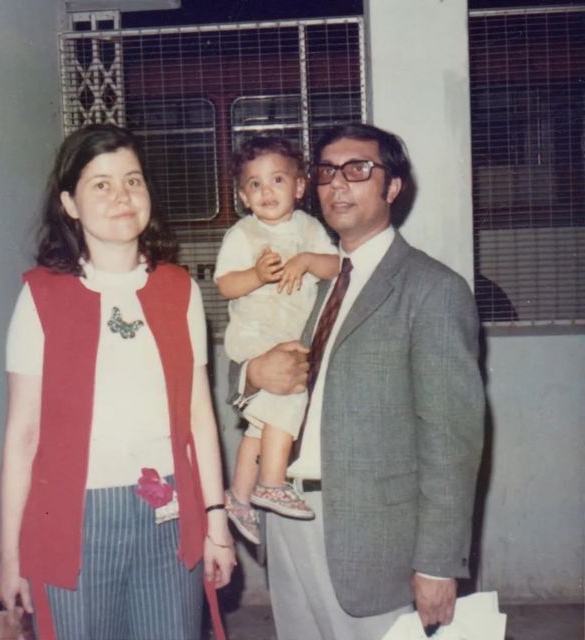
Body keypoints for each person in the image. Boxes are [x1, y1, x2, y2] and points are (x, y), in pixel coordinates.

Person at [229, 123, 485, 639]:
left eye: (358, 169)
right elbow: (254, 365)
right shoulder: (308, 281)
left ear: (392, 188)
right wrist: (251, 374)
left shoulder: (431, 289)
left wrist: (437, 563)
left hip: (371, 537)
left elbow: (451, 440)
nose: (338, 184)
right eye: (326, 172)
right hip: (284, 512)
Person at [0, 124, 235, 640]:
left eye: (133, 180)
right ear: (70, 204)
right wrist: (9, 555)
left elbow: (199, 417)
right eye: (100, 184)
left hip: (170, 512)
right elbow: (22, 436)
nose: (121, 196)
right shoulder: (41, 297)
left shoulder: (179, 290)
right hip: (73, 520)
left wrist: (216, 522)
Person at [215, 136, 339, 544]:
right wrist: (256, 276)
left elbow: (336, 266)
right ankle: (270, 481)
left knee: (261, 426)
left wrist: (304, 260)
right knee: (289, 395)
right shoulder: (242, 234)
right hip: (255, 336)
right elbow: (225, 285)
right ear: (242, 196)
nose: (267, 191)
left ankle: (238, 494)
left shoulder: (309, 228)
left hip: (289, 335)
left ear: (300, 187)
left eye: (278, 180)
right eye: (255, 184)